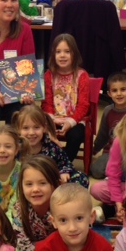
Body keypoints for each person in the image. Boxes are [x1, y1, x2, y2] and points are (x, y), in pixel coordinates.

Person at [41, 33, 90, 162]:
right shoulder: (48, 75)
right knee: (40, 133)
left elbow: (83, 105)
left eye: (67, 51)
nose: (62, 55)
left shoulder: (82, 75)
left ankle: (63, 164)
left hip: (75, 120)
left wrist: (70, 122)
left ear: (74, 54)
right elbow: (46, 103)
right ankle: (49, 161)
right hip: (52, 119)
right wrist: (52, 120)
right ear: (53, 54)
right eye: (58, 52)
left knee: (76, 136)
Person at [13, 104, 88, 187]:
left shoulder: (52, 148)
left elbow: (65, 163)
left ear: (44, 128)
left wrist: (64, 172)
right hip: (26, 185)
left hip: (49, 183)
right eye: (25, 128)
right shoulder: (16, 149)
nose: (31, 133)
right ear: (18, 129)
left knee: (81, 178)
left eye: (36, 127)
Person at [12, 155, 61, 251]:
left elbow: (70, 239)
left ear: (55, 184)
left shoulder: (63, 207)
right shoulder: (19, 209)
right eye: (29, 184)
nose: (35, 189)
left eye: (42, 183)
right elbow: (23, 246)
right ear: (21, 186)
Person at [91, 71, 126, 179]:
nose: (119, 94)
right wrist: (95, 149)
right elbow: (103, 133)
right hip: (111, 152)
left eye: (123, 89)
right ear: (109, 94)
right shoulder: (108, 110)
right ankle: (115, 173)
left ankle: (114, 174)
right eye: (115, 90)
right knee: (96, 170)